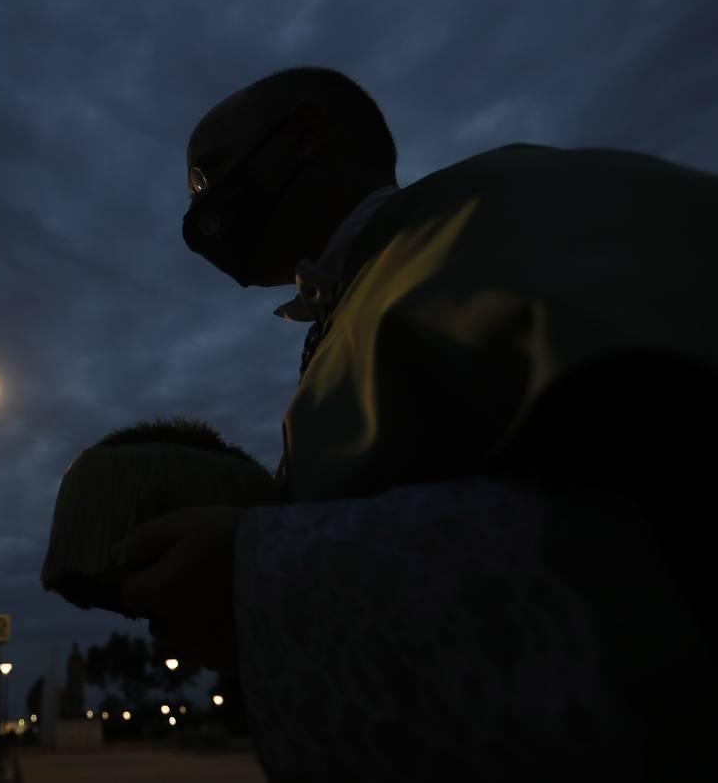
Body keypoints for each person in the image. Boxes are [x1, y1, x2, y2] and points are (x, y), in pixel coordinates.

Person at [109, 68, 718, 781]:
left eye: (210, 178)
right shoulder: (356, 302)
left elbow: (663, 533)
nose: (200, 217)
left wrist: (256, 576)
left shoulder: (512, 210)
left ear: (307, 135)